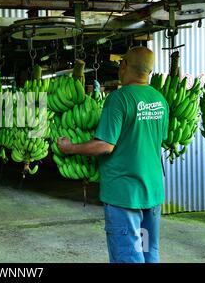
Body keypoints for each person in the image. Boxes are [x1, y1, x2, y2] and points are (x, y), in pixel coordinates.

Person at [57, 46, 169, 263]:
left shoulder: (119, 99)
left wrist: (71, 148)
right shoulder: (160, 100)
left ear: (124, 66)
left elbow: (105, 145)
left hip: (124, 195)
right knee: (147, 251)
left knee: (128, 255)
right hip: (153, 192)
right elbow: (157, 138)